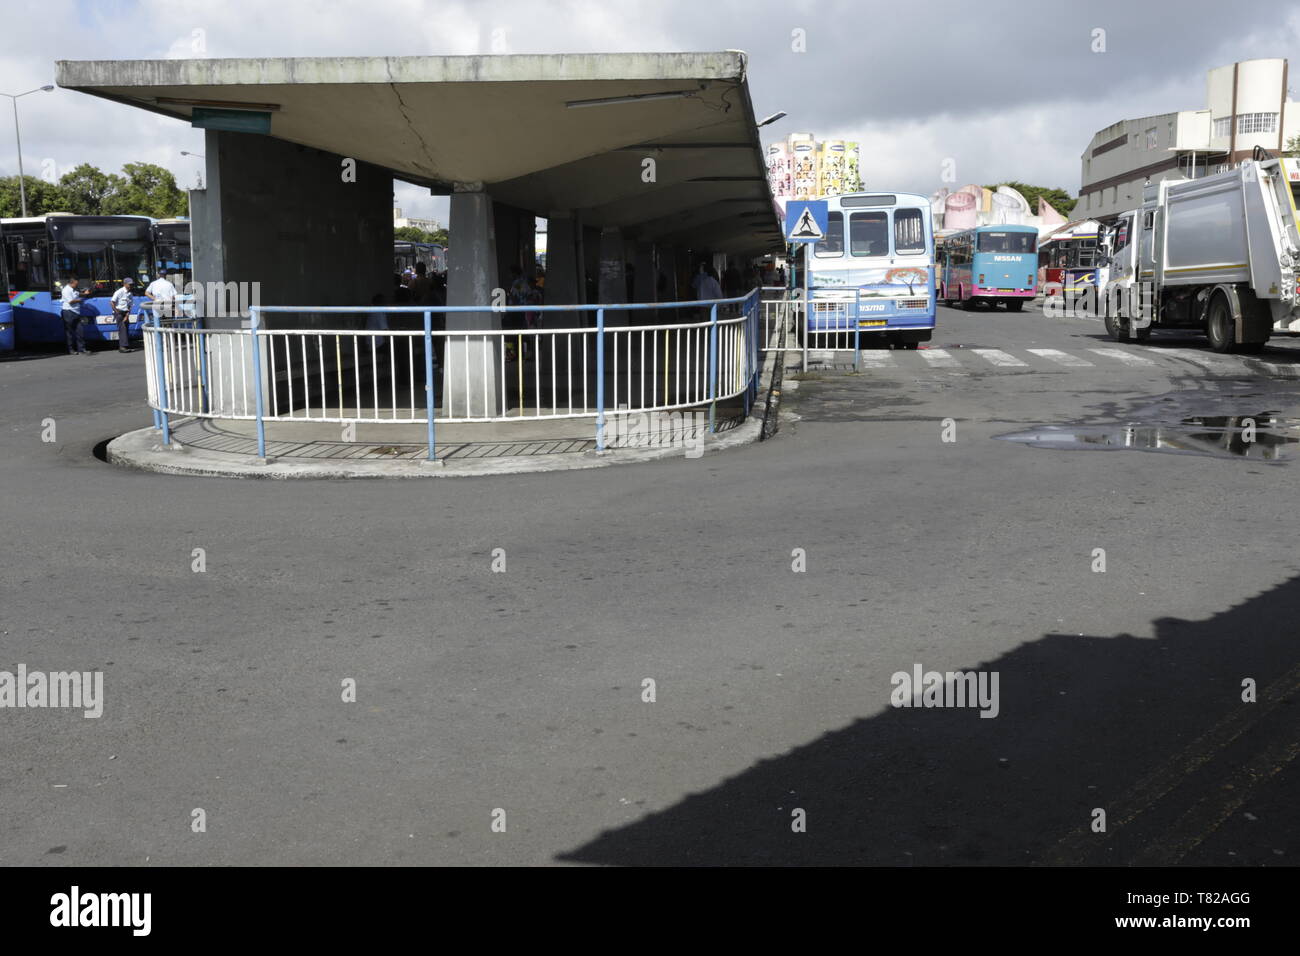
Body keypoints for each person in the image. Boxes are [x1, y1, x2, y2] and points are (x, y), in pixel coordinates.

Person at [60, 277, 87, 355]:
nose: (77, 285)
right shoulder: (66, 290)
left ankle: (81, 349)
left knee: (80, 331)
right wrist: (81, 299)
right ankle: (71, 349)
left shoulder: (74, 289)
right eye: (76, 284)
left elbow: (78, 294)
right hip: (68, 312)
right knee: (69, 332)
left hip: (76, 312)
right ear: (72, 283)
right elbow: (71, 301)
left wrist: (85, 294)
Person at [110, 277, 135, 353]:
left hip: (125, 313)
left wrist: (127, 315)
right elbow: (112, 302)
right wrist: (117, 312)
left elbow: (130, 305)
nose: (131, 285)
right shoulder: (119, 292)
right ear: (124, 284)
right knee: (122, 329)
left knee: (126, 329)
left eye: (132, 284)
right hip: (119, 312)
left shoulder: (130, 293)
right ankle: (122, 347)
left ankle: (126, 346)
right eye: (129, 284)